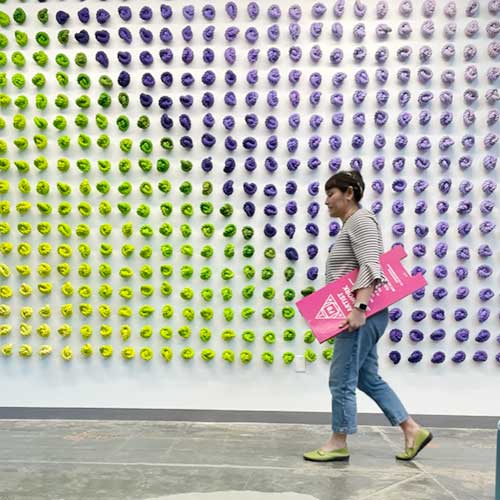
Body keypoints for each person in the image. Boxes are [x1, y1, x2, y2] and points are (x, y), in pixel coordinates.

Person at [304, 170, 433, 462]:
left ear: (349, 193)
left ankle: (338, 440)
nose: (326, 201)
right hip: (364, 313)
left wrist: (359, 308)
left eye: (331, 194)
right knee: (366, 377)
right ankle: (412, 429)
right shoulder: (353, 224)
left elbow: (371, 265)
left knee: (341, 380)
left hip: (361, 314)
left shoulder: (361, 221)